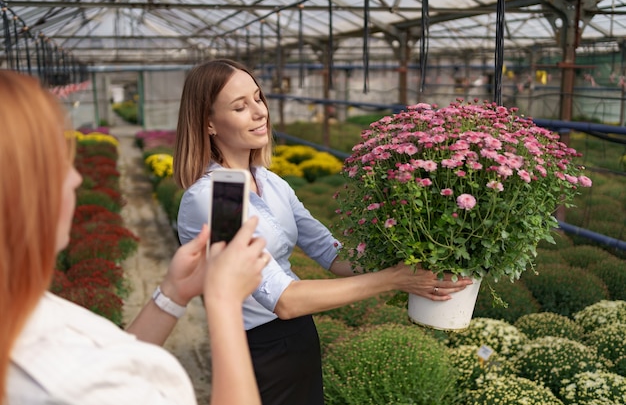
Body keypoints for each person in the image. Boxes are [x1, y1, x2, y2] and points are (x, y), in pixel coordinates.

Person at [173, 58, 474, 405]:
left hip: (299, 338)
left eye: (258, 98)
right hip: (257, 352)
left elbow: (331, 252)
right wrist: (395, 278)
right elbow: (282, 300)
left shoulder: (270, 182)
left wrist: (415, 247)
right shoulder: (214, 198)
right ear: (208, 123)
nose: (260, 113)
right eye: (240, 107)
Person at [0, 69, 268, 405]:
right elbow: (96, 378)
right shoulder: (67, 384)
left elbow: (111, 359)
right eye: (56, 163)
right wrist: (224, 304)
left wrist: (173, 293)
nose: (74, 180)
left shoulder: (21, 309)